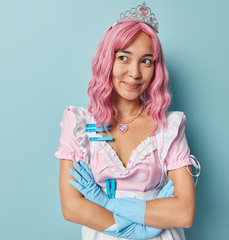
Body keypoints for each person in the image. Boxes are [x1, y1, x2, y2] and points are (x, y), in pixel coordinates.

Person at [54, 2, 200, 240]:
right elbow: (72, 207)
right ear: (107, 61)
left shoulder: (168, 127)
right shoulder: (78, 123)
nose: (134, 73)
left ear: (156, 68)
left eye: (146, 61)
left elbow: (184, 212)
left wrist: (105, 203)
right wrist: (136, 228)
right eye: (124, 58)